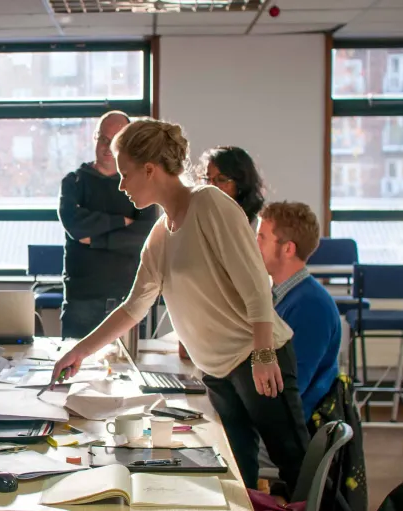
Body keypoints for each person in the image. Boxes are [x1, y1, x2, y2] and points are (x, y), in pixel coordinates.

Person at [51, 118, 309, 494]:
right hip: (216, 370)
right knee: (238, 474)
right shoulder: (161, 231)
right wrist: (80, 351)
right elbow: (132, 308)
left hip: (255, 357)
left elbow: (256, 282)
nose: (120, 185)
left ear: (150, 170)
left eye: (125, 174)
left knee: (296, 466)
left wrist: (265, 352)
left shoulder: (210, 204)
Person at [256, 201, 341, 469]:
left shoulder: (309, 305)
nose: (253, 244)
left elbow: (286, 393)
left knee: (216, 449)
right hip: (276, 428)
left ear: (288, 248)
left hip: (289, 439)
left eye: (261, 237)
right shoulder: (283, 296)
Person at [58, 110, 157, 339]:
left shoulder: (141, 183)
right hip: (82, 299)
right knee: (73, 370)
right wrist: (122, 221)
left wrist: (96, 239)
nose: (107, 146)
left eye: (115, 141)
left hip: (129, 301)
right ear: (95, 138)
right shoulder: (74, 182)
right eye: (103, 139)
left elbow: (145, 236)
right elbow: (76, 227)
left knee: (129, 370)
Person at [200, 146, 265, 228]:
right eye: (207, 179)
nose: (211, 185)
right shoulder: (199, 214)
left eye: (221, 180)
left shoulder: (257, 224)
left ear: (241, 183)